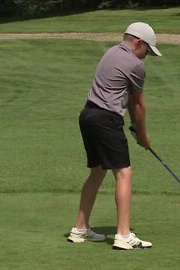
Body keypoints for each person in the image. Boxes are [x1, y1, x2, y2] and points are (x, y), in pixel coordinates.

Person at [67, 22, 162, 250]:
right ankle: (123, 234)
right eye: (147, 50)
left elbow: (127, 98)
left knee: (97, 172)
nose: (146, 56)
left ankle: (79, 229)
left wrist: (134, 127)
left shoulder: (111, 52)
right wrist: (144, 135)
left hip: (88, 115)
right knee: (124, 173)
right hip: (106, 119)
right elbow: (139, 105)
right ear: (139, 42)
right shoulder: (136, 65)